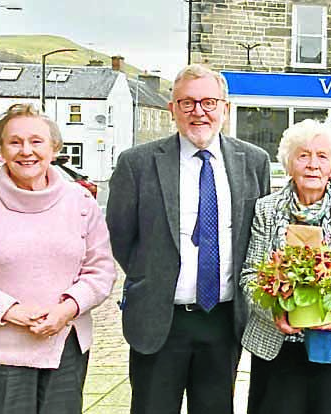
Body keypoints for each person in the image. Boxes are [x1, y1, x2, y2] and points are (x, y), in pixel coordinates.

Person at [106, 64, 271, 414]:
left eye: (209, 102)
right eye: (188, 103)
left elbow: (258, 236)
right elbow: (121, 236)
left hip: (223, 320)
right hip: (159, 320)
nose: (199, 112)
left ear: (225, 108)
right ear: (172, 109)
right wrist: (151, 276)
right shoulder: (137, 163)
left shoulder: (253, 162)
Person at [0, 103, 116, 414]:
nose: (26, 151)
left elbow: (100, 271)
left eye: (36, 141)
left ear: (54, 147)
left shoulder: (80, 201)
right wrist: (11, 311)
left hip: (64, 350)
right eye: (14, 142)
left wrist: (68, 308)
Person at [240, 119, 331, 414]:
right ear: (289, 164)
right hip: (277, 347)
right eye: (303, 155)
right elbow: (250, 276)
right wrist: (273, 311)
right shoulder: (265, 209)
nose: (312, 164)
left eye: (322, 156)